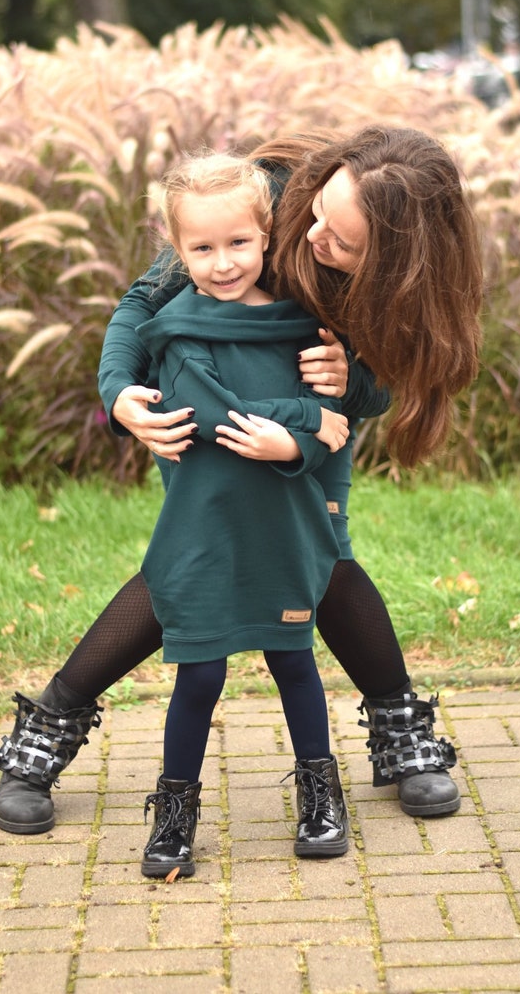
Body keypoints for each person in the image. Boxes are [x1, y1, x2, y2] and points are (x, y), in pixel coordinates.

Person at [0, 125, 483, 837]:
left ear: (397, 259)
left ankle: (400, 730)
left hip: (313, 427)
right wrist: (119, 391)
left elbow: (381, 386)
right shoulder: (267, 200)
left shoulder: (403, 281)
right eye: (318, 214)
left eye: (342, 241)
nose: (313, 236)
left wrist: (352, 379)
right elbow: (141, 304)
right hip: (213, 412)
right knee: (196, 560)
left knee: (328, 558)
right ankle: (49, 725)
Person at [133, 152, 350, 875]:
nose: (223, 262)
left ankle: (322, 794)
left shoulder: (303, 326)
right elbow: (212, 415)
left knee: (295, 660)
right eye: (201, 248)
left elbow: (336, 422)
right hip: (203, 533)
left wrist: (311, 433)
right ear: (177, 248)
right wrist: (305, 421)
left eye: (238, 243)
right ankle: (175, 811)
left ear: (266, 237)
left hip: (279, 530)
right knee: (198, 675)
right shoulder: (176, 329)